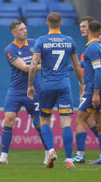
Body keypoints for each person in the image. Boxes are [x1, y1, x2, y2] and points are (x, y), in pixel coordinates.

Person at [27, 12, 83, 169]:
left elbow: (33, 65)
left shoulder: (41, 41)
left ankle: (51, 150)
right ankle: (69, 160)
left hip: (47, 86)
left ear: (47, 23)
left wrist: (30, 85)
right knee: (66, 123)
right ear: (61, 23)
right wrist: (81, 83)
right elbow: (77, 65)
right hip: (64, 85)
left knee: (44, 120)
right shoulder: (69, 41)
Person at [0, 21, 48, 165]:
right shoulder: (9, 49)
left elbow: (45, 59)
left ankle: (48, 152)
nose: (25, 31)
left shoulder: (35, 44)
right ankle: (3, 157)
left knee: (39, 124)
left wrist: (44, 63)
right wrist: (44, 66)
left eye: (25, 28)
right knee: (9, 118)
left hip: (34, 89)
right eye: (21, 30)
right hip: (16, 90)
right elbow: (25, 68)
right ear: (14, 33)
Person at [72, 16, 101, 164]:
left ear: (91, 28)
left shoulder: (94, 45)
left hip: (96, 88)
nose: (82, 29)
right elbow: (94, 64)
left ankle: (80, 155)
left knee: (80, 118)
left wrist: (95, 90)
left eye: (84, 27)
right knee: (100, 122)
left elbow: (99, 68)